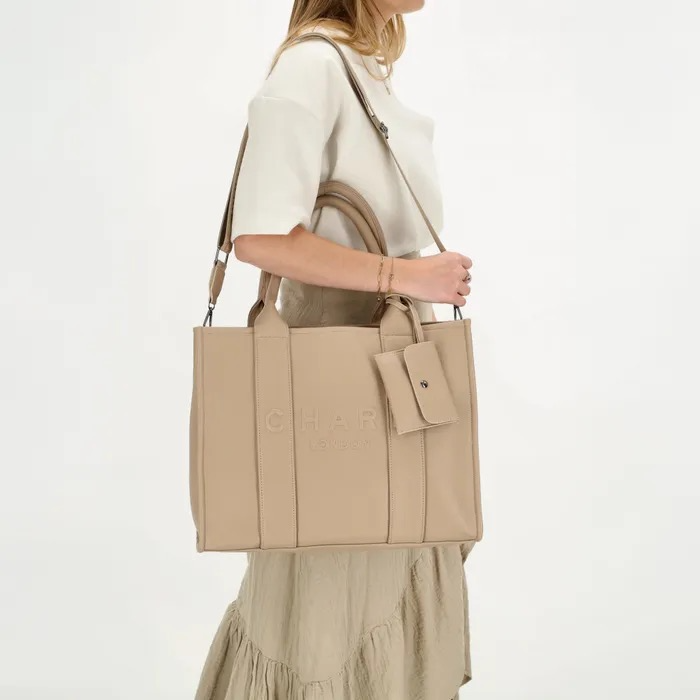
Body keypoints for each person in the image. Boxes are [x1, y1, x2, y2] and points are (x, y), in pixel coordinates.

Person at [194, 2, 475, 698]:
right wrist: (404, 276)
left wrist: (407, 283)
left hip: (395, 365)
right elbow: (259, 238)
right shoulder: (313, 66)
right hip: (335, 373)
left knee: (384, 569)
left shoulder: (361, 68)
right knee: (329, 612)